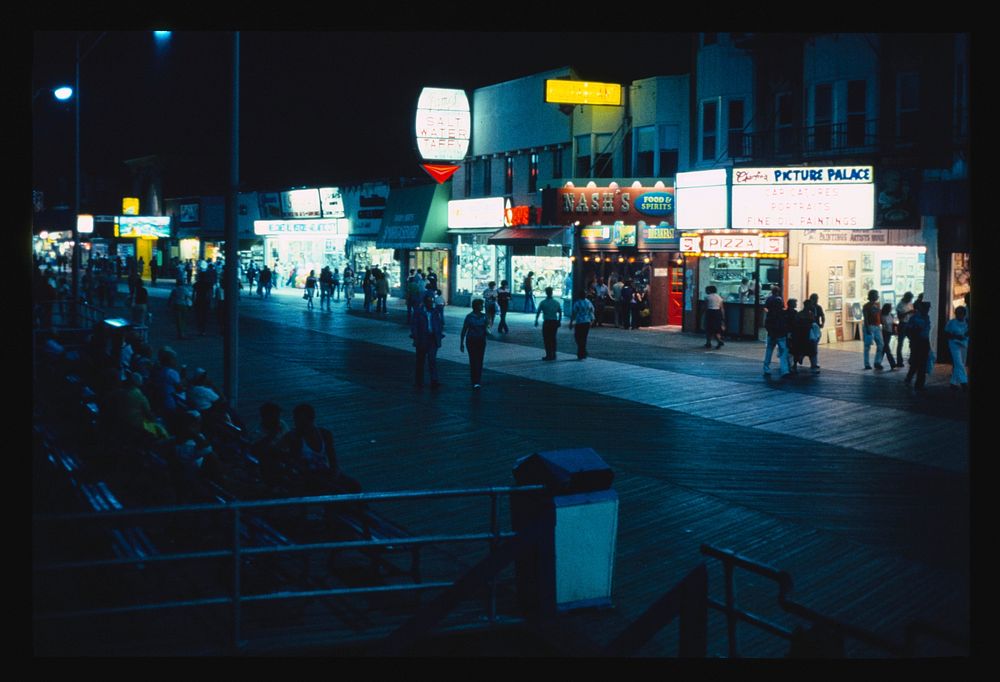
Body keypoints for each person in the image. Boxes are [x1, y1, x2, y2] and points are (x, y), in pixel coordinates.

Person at [278, 403, 361, 498]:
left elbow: (333, 460)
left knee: (355, 485)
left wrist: (334, 473)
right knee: (336, 490)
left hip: (326, 472)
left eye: (301, 422)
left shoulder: (325, 434)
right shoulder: (295, 438)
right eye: (296, 421)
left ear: (311, 420)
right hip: (308, 476)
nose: (297, 424)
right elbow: (277, 450)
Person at [251, 402, 290, 490]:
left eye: (278, 416)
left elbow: (288, 439)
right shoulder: (257, 432)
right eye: (274, 417)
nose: (277, 419)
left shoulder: (282, 424)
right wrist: (272, 434)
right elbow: (257, 449)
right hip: (268, 464)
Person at [410, 293, 445, 388]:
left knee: (432, 359)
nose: (431, 303)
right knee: (420, 361)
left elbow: (438, 324)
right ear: (425, 302)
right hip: (422, 338)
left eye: (432, 301)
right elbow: (414, 325)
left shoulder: (434, 312)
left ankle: (434, 380)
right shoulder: (419, 312)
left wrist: (439, 334)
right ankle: (419, 381)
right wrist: (415, 336)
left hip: (432, 338)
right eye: (429, 302)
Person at [460, 298, 489, 388]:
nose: (482, 306)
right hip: (471, 340)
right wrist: (461, 342)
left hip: (481, 341)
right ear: (476, 306)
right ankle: (474, 379)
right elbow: (464, 329)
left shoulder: (484, 316)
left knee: (479, 360)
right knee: (473, 360)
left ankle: (477, 380)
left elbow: (486, 328)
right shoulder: (469, 317)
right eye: (481, 305)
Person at [904, 301, 932, 391]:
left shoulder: (926, 317)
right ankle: (915, 380)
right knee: (916, 361)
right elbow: (908, 329)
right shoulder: (915, 318)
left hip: (924, 341)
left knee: (921, 362)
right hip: (917, 341)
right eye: (926, 308)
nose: (927, 310)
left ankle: (918, 382)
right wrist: (912, 338)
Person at [762, 286, 790, 377]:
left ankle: (766, 367)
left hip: (772, 332)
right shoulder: (780, 302)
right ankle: (784, 369)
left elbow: (765, 309)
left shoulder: (769, 301)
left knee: (769, 349)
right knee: (783, 350)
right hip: (780, 333)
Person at [944, 306, 969, 390]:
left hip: (964, 344)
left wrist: (964, 335)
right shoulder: (951, 323)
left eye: (961, 313)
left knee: (961, 363)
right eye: (957, 313)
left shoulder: (967, 322)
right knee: (958, 362)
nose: (959, 315)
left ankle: (953, 383)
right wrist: (956, 336)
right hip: (954, 344)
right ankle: (964, 382)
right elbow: (946, 333)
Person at [534, 286, 563, 361]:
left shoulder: (543, 302)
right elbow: (560, 312)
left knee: (547, 339)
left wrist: (536, 320)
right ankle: (554, 354)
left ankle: (548, 354)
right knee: (553, 338)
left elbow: (538, 312)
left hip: (547, 322)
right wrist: (559, 321)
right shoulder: (556, 302)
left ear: (546, 293)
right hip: (554, 322)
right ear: (552, 292)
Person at [862, 290, 886, 370]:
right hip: (870, 326)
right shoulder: (866, 306)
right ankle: (867, 363)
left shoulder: (877, 305)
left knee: (881, 344)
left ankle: (877, 362)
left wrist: (882, 323)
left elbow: (879, 315)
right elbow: (866, 318)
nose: (877, 296)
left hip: (877, 326)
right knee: (867, 346)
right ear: (872, 296)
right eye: (876, 295)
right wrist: (867, 327)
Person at [569, 292, 595, 360]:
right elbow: (592, 310)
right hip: (586, 322)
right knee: (584, 337)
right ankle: (583, 352)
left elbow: (573, 312)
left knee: (578, 337)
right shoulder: (588, 302)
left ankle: (581, 352)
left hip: (579, 322)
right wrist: (592, 320)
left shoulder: (577, 303)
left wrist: (571, 322)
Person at [895, 292, 915, 369]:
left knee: (913, 341)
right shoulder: (900, 305)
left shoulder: (910, 303)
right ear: (905, 297)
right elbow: (900, 317)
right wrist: (908, 312)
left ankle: (912, 359)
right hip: (903, 324)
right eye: (909, 299)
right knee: (900, 343)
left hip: (910, 324)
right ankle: (899, 361)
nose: (910, 300)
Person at [880, 303, 899, 370]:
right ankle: (892, 364)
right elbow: (883, 323)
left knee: (884, 348)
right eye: (890, 308)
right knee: (887, 349)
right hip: (885, 332)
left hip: (889, 332)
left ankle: (878, 362)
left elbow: (892, 323)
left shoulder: (891, 315)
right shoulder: (882, 316)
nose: (891, 309)